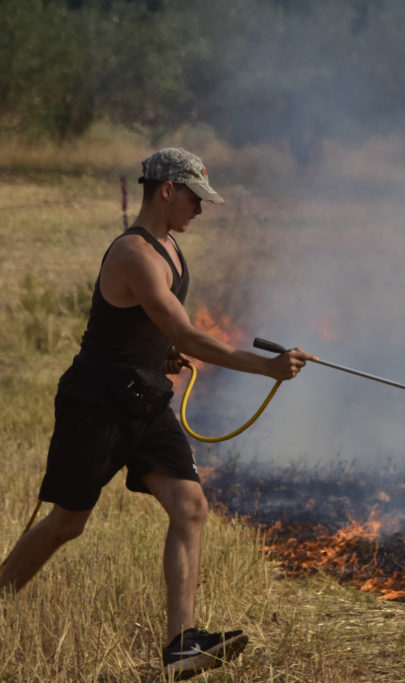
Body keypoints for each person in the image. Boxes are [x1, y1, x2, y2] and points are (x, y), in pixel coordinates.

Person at [0, 148, 316, 680]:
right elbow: (187, 333)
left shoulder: (172, 246)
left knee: (190, 507)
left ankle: (181, 646)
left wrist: (157, 354)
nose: (201, 208)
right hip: (95, 404)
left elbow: (152, 328)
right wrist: (267, 368)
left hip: (145, 400)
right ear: (167, 189)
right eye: (195, 197)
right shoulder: (135, 253)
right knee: (68, 524)